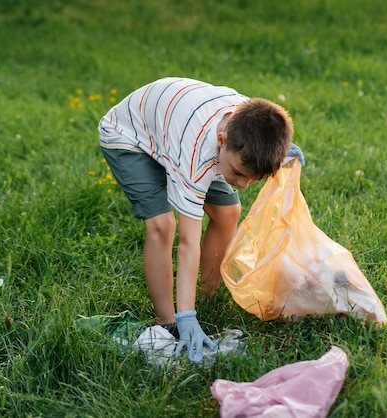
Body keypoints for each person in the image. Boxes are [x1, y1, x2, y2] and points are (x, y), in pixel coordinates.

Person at [98, 77, 304, 362]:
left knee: (228, 211)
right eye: (239, 174)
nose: (243, 184)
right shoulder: (196, 157)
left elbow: (266, 133)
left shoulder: (243, 124)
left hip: (172, 127)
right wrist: (185, 317)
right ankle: (168, 321)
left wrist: (280, 153)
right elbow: (188, 243)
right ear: (222, 141)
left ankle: (206, 299)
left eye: (253, 178)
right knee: (162, 226)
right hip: (130, 136)